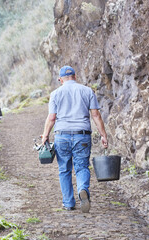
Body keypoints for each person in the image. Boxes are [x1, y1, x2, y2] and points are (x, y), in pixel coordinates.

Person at [41, 66, 108, 213]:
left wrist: (45, 135)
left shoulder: (55, 93)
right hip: (82, 135)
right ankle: (82, 189)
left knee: (64, 169)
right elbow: (96, 115)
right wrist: (103, 135)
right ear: (75, 76)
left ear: (60, 80)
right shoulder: (87, 91)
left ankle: (68, 203)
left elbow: (52, 117)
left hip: (62, 136)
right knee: (82, 167)